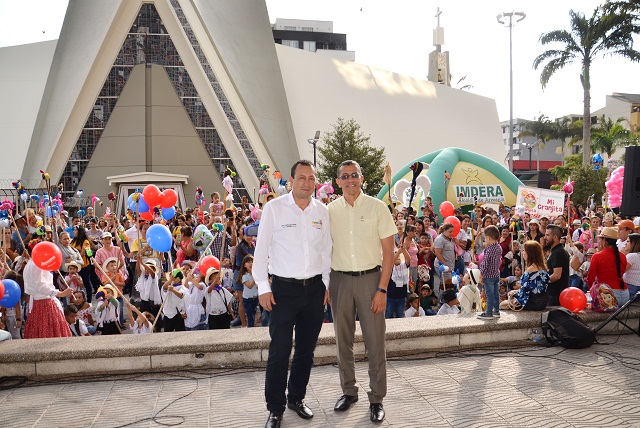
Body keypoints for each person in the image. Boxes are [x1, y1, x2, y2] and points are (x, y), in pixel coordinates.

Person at [253, 160, 331, 428]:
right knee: (279, 351)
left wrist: (327, 285)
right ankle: (275, 408)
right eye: (301, 178)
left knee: (306, 351)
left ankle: (296, 398)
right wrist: (263, 286)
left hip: (315, 290)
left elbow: (327, 251)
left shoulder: (322, 211)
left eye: (311, 178)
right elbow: (261, 251)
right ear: (291, 179)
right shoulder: (274, 208)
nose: (307, 183)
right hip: (283, 291)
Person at [328, 160, 396, 423]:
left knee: (375, 341)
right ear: (338, 182)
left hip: (371, 281)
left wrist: (382, 288)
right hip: (339, 281)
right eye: (344, 176)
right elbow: (323, 250)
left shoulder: (378, 208)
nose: (350, 180)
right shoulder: (330, 211)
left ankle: (377, 398)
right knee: (342, 340)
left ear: (362, 178)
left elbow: (389, 253)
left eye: (354, 175)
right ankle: (349, 391)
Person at [23, 258, 73, 338]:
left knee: (39, 331)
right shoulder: (37, 264)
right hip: (44, 303)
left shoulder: (30, 263)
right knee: (49, 332)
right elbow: (41, 286)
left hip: (37, 303)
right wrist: (60, 293)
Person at [586, 227, 628, 305]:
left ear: (604, 240)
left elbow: (590, 278)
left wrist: (591, 291)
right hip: (625, 294)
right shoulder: (622, 255)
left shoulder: (597, 256)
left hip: (609, 296)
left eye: (600, 239)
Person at [511, 241, 550, 310]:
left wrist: (513, 295)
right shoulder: (543, 268)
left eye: (524, 251)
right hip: (543, 302)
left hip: (531, 303)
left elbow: (524, 292)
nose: (522, 253)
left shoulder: (530, 269)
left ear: (530, 253)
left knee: (503, 304)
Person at [477, 225, 501, 320]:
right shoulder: (498, 247)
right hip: (496, 274)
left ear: (489, 238)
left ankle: (489, 312)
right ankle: (496, 311)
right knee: (496, 293)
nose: (485, 241)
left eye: (485, 238)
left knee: (489, 294)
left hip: (488, 275)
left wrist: (481, 274)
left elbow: (485, 263)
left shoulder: (489, 249)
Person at [545, 224, 570, 306]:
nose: (545, 237)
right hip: (556, 293)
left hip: (556, 295)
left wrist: (542, 282)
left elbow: (556, 275)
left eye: (548, 235)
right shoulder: (557, 251)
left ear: (555, 237)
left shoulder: (558, 252)